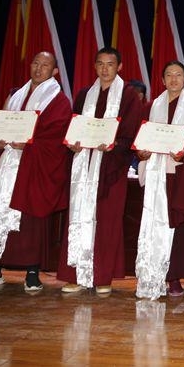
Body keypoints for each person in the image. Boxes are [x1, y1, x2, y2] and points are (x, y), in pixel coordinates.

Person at [0, 52, 72, 291]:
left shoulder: (59, 100)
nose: (38, 69)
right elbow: (0, 123)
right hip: (8, 163)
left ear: (54, 71)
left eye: (45, 65)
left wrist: (31, 144)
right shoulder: (15, 95)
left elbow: (57, 136)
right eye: (35, 63)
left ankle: (32, 272)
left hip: (34, 166)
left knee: (30, 218)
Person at [57, 47, 142, 294]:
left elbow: (131, 131)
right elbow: (74, 124)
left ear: (120, 67)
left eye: (110, 64)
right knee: (78, 219)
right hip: (83, 167)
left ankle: (102, 277)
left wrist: (115, 145)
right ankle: (75, 275)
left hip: (111, 168)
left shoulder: (128, 96)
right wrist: (72, 143)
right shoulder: (85, 94)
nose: (105, 69)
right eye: (100, 64)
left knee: (107, 221)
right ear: (94, 66)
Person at [134, 61, 184, 299]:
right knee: (152, 224)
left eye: (178, 75)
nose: (173, 79)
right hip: (156, 173)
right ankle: (151, 274)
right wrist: (141, 152)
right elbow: (141, 138)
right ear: (162, 80)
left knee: (177, 225)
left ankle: (174, 277)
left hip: (181, 173)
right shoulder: (150, 107)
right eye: (169, 75)